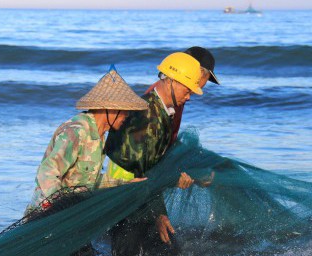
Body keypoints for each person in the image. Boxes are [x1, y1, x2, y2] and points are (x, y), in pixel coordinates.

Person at [26, 67, 148, 255]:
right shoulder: (76, 131)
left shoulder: (99, 137)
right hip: (47, 221)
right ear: (110, 109)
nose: (127, 117)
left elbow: (90, 182)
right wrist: (59, 209)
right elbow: (47, 172)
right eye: (124, 112)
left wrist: (125, 184)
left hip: (73, 219)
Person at [104, 52, 213, 255]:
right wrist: (160, 213)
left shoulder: (162, 112)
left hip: (141, 198)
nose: (189, 96)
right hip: (126, 202)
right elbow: (142, 172)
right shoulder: (146, 115)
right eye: (187, 89)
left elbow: (152, 166)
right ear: (170, 81)